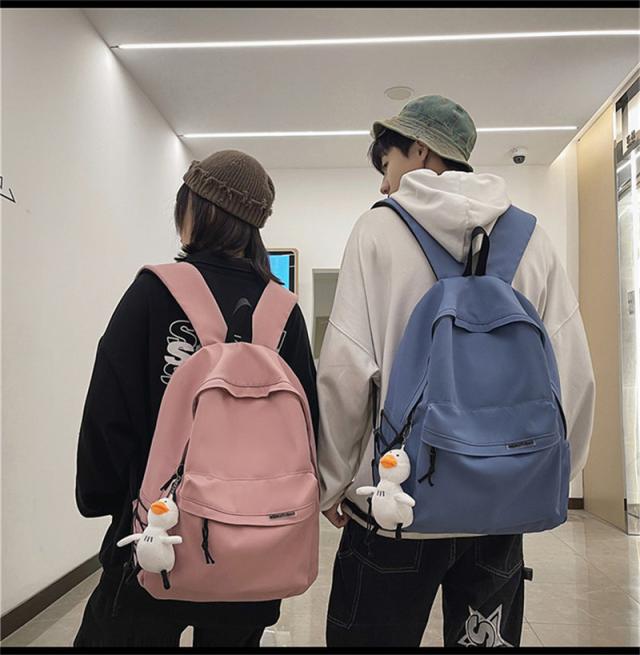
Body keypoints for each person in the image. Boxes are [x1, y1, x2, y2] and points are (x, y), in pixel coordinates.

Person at [317, 95, 595, 648]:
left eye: (387, 164)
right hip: (500, 506)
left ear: (420, 151)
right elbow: (574, 374)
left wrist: (335, 483)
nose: (384, 184)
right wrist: (549, 476)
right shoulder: (532, 237)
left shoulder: (377, 231)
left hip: (394, 504)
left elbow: (345, 370)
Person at [74, 150, 319, 648]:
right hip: (255, 547)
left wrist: (103, 497)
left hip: (156, 538)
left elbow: (108, 413)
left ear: (196, 208)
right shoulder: (284, 312)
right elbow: (309, 423)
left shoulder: (152, 293)